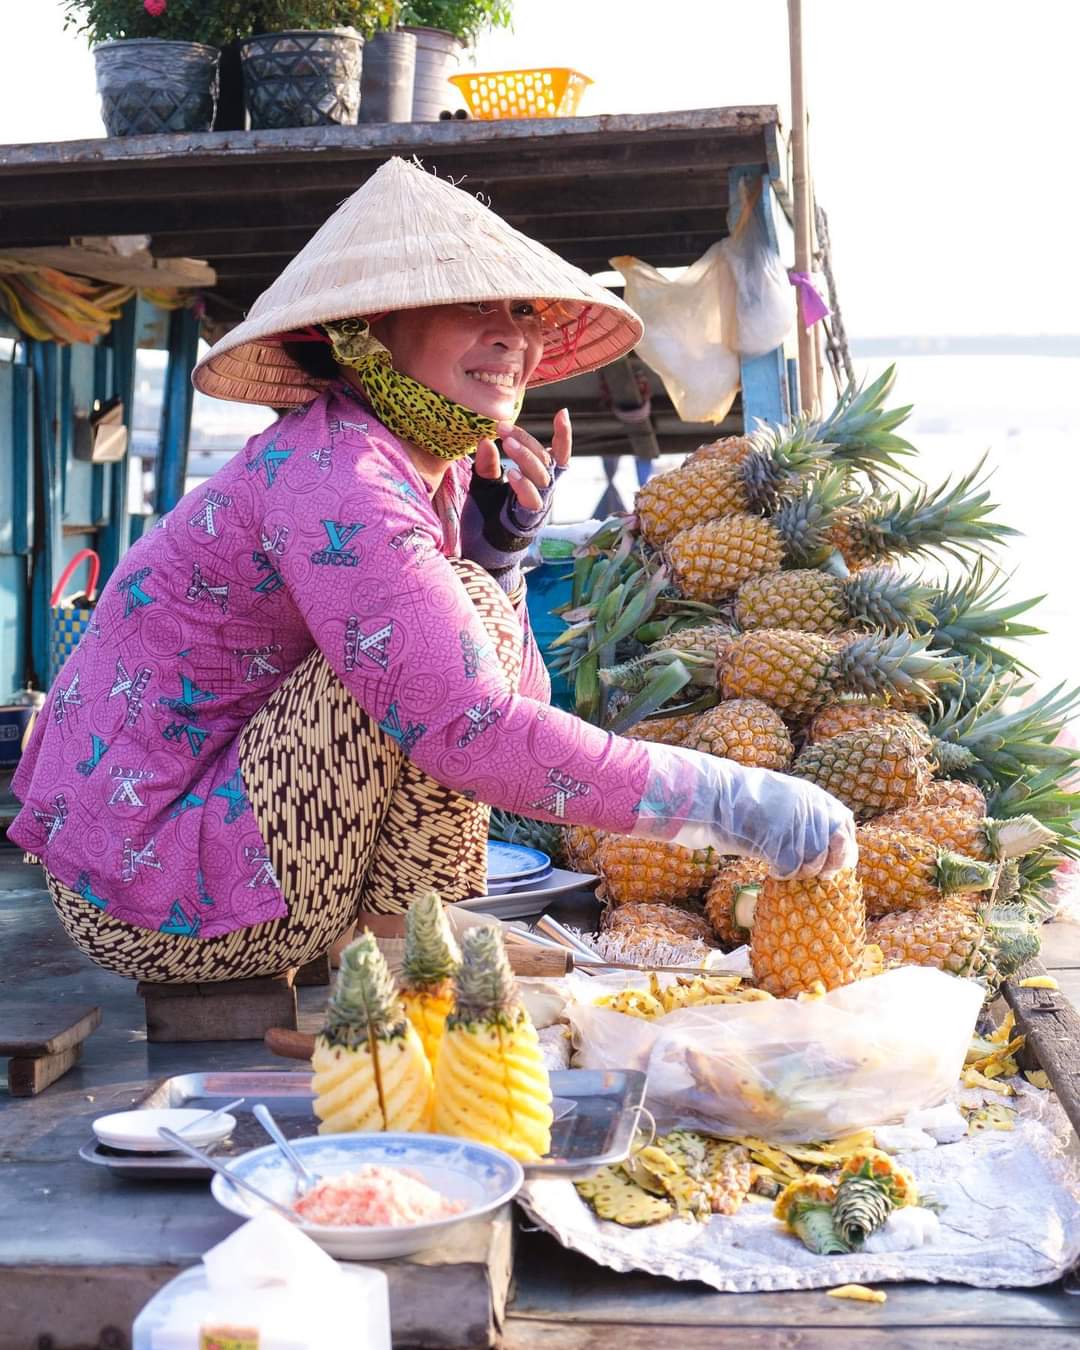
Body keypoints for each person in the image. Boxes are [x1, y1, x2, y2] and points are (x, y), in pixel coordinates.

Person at [9, 158, 856, 984]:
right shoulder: (339, 474)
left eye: (524, 310)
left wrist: (500, 557)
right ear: (366, 328)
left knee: (464, 617)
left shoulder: (418, 468)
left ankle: (390, 940)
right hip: (145, 892)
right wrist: (728, 803)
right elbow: (473, 730)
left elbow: (510, 702)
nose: (514, 337)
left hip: (208, 847)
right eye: (471, 305)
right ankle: (389, 950)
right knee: (435, 659)